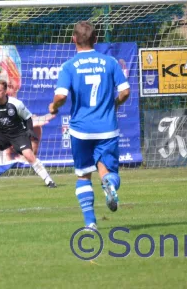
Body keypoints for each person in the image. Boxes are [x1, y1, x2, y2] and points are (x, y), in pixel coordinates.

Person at [48, 21, 130, 229]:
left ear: (73, 39)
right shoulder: (110, 62)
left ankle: (90, 223)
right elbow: (125, 92)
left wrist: (54, 106)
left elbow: (61, 96)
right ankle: (109, 185)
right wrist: (115, 103)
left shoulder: (69, 66)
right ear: (96, 39)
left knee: (83, 175)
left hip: (81, 130)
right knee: (108, 171)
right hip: (107, 127)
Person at [0, 78, 56, 188]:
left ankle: (49, 181)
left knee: (29, 156)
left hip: (18, 133)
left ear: (5, 91)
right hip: (2, 134)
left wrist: (29, 130)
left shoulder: (16, 104)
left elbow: (28, 118)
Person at [0, 45, 55, 162]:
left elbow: (27, 161)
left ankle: (49, 181)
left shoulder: (19, 110)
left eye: (12, 73)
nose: (7, 81)